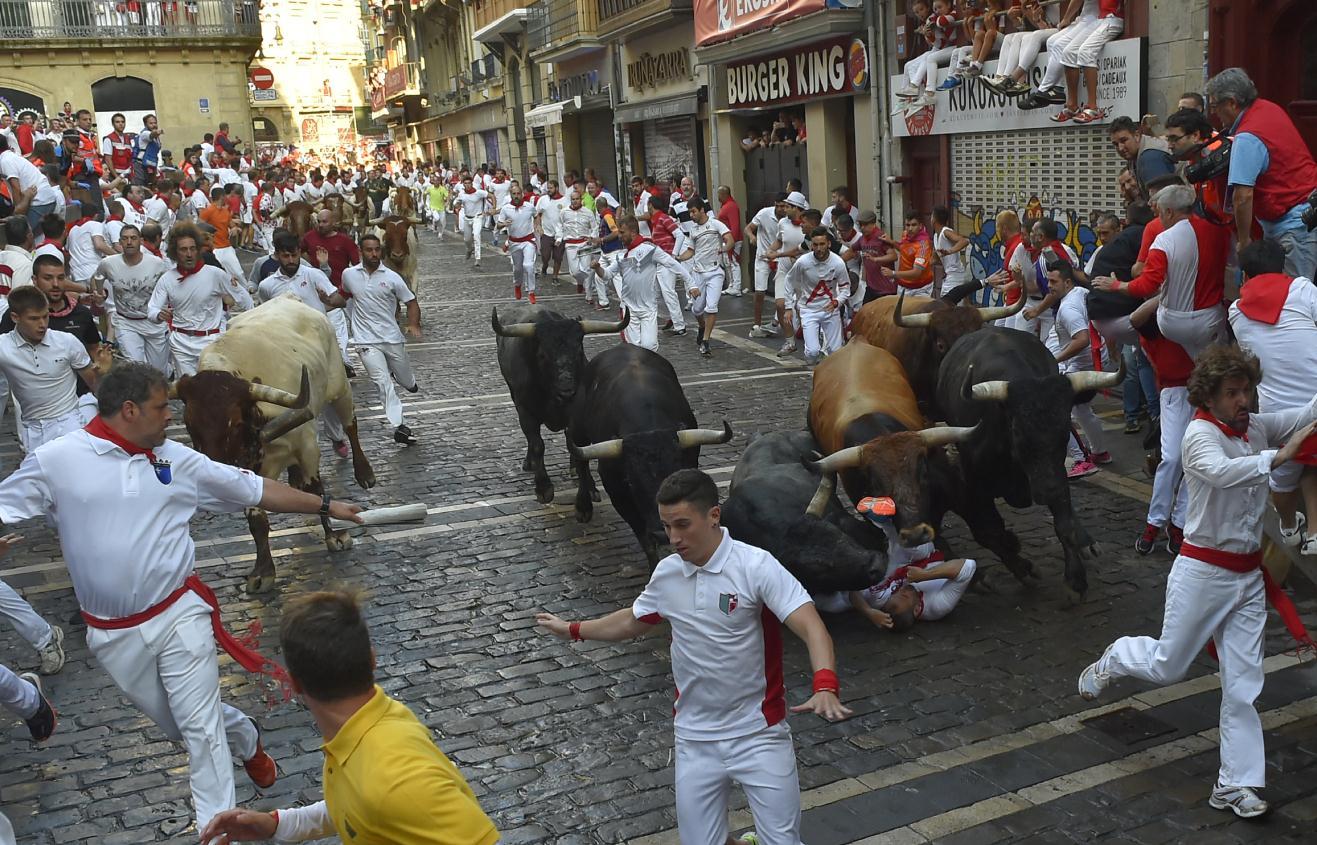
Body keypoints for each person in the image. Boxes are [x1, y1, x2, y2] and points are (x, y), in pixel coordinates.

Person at [0, 361, 366, 833]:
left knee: (198, 731)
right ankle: (245, 733)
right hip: (112, 635)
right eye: (161, 407)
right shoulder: (57, 460)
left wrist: (326, 504)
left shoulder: (179, 459)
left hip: (179, 614)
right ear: (129, 410)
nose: (171, 417)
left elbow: (255, 489)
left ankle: (216, 833)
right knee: (182, 726)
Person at [536, 469, 851, 845]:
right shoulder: (668, 574)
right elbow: (633, 622)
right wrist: (574, 628)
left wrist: (825, 684)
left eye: (683, 525)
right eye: (667, 526)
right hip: (694, 738)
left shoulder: (756, 566)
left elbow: (811, 626)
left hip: (759, 734)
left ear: (713, 516)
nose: (674, 538)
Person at [1077, 345, 1317, 820]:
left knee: (1245, 682)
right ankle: (1118, 656)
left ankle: (1236, 784)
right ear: (1209, 397)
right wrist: (1277, 457)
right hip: (1202, 573)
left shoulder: (1256, 426)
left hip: (1248, 577)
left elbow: (1303, 414)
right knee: (1168, 666)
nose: (1244, 400)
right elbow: (1224, 473)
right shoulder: (1198, 436)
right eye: (1233, 392)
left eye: (1247, 389)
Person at [199, 589, 499, 844]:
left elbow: (382, 798)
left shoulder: (397, 780)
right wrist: (277, 824)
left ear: (295, 684)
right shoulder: (366, 730)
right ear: (372, 658)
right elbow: (360, 808)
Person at [1228, 238, 1317, 555]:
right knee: (1310, 463)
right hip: (1315, 398)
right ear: (1282, 267)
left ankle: (1290, 527)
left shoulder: (1236, 312)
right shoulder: (1304, 289)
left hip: (1278, 413)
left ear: (1246, 276)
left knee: (1283, 479)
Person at [1206, 67, 1317, 281]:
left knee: (1293, 299)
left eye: (1215, 106)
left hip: (1293, 223)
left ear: (1231, 102)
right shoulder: (1268, 108)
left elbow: (1243, 196)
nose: (1214, 113)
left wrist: (1245, 240)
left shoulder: (1248, 136)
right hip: (1302, 209)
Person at [1095, 184, 1231, 359]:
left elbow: (1146, 285)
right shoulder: (1218, 231)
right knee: (1216, 367)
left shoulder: (1164, 240)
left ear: (1169, 212)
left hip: (1173, 323)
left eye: (1159, 213)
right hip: (1210, 320)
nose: (1158, 219)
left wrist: (1117, 285)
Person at [815, 497, 976, 629]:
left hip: (896, 567)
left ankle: (806, 580)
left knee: (834, 604)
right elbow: (968, 566)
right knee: (915, 548)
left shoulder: (884, 601)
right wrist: (925, 575)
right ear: (918, 608)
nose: (902, 590)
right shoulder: (938, 607)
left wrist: (869, 612)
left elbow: (854, 593)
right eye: (906, 595)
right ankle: (889, 521)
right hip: (923, 559)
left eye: (898, 594)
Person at [326, 233, 421, 446]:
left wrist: (414, 324)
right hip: (365, 340)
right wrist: (324, 304)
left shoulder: (392, 277)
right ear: (361, 252)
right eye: (369, 250)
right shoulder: (349, 274)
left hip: (392, 338)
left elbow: (411, 302)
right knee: (381, 382)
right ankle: (400, 426)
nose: (374, 254)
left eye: (377, 249)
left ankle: (408, 381)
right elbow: (344, 296)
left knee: (406, 380)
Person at [147, 222, 239, 376]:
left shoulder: (216, 274)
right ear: (175, 253)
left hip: (211, 341)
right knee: (189, 393)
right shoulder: (167, 279)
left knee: (213, 390)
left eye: (192, 249)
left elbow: (243, 299)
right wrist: (158, 314)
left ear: (198, 250)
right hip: (180, 343)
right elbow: (152, 309)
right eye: (183, 249)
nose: (189, 254)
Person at [591, 214, 689, 352]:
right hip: (629, 310)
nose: (619, 236)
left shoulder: (650, 250)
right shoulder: (621, 255)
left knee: (650, 347)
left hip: (648, 309)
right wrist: (597, 268)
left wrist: (692, 284)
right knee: (634, 350)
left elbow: (672, 264)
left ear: (633, 232)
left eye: (622, 232)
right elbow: (606, 275)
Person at [1018, 0, 1126, 124]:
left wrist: (1066, 18)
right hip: (1100, 20)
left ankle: (1092, 107)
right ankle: (1072, 106)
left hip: (1112, 18)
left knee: (1085, 52)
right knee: (1068, 52)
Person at [92, 224, 170, 373]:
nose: (129, 242)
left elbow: (169, 285)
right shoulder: (108, 263)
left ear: (140, 241)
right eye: (125, 239)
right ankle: (139, 395)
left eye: (133, 238)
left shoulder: (157, 264)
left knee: (158, 371)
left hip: (153, 322)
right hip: (126, 322)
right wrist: (99, 293)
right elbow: (97, 276)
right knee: (136, 368)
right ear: (119, 242)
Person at [299, 209, 359, 371]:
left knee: (357, 323)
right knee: (331, 325)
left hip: (344, 291)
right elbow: (297, 252)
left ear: (333, 222)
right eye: (318, 221)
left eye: (324, 221)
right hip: (318, 292)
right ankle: (341, 360)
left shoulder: (345, 241)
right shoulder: (309, 237)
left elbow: (357, 264)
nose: (321, 225)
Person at [784, 227, 850, 366]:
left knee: (836, 352)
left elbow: (845, 288)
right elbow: (789, 281)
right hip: (809, 310)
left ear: (829, 244)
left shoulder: (838, 263)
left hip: (830, 311)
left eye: (822, 244)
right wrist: (788, 307)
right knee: (812, 352)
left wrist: (837, 302)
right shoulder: (803, 262)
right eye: (815, 245)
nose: (819, 248)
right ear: (811, 245)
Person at [680, 198, 734, 358]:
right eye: (690, 212)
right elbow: (690, 250)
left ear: (702, 210)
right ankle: (702, 326)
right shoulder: (693, 230)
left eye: (693, 211)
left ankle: (705, 341)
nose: (691, 215)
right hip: (698, 273)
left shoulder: (716, 224)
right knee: (697, 309)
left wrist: (723, 249)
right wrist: (678, 258)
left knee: (711, 307)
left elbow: (729, 239)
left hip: (715, 272)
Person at [768, 192, 808, 356]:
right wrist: (771, 250)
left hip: (803, 273)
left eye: (787, 206)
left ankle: (810, 340)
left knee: (802, 309)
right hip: (784, 270)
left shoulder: (807, 225)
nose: (784, 209)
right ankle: (790, 341)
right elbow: (779, 241)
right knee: (780, 305)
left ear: (797, 208)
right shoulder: (783, 223)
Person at [1107, 116, 1177, 199]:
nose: (1120, 148)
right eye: (1115, 144)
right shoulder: (1135, 155)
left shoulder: (1150, 158)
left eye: (1124, 140)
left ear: (1136, 135)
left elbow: (1163, 201)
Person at [746, 193, 785, 337]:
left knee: (783, 293)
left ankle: (777, 321)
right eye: (778, 206)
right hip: (763, 257)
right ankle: (757, 324)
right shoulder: (764, 213)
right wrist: (752, 236)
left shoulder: (788, 219)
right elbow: (748, 228)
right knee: (760, 292)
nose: (780, 209)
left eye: (783, 206)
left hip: (781, 258)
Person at [496, 181, 539, 303]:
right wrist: (503, 224)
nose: (516, 196)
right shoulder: (506, 209)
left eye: (518, 193)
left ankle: (531, 291)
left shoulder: (529, 207)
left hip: (528, 241)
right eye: (514, 194)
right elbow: (498, 224)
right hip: (514, 243)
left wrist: (538, 225)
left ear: (522, 194)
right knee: (518, 269)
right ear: (510, 195)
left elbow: (536, 215)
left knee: (529, 266)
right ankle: (517, 285)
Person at [883, 210, 935, 298]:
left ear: (920, 226)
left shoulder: (923, 246)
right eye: (907, 225)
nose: (910, 229)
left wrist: (893, 273)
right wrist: (891, 241)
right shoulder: (905, 234)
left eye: (914, 225)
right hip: (902, 287)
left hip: (920, 289)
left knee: (918, 312)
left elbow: (916, 273)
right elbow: (904, 249)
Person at [198, 185, 244, 283]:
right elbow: (199, 227)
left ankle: (245, 292)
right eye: (225, 196)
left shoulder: (225, 211)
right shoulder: (208, 211)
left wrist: (235, 228)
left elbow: (231, 225)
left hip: (227, 247)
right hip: (215, 249)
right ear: (222, 197)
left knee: (238, 273)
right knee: (218, 275)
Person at [931, 205, 971, 288]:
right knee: (945, 300)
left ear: (934, 219)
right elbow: (935, 259)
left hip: (956, 275)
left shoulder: (946, 231)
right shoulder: (935, 236)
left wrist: (949, 251)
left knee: (948, 300)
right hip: (949, 276)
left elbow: (964, 241)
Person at [452, 175, 488, 266]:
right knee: (467, 239)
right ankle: (469, 249)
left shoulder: (479, 192)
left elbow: (490, 196)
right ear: (463, 185)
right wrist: (457, 205)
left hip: (477, 217)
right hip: (467, 218)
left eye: (469, 183)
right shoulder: (462, 194)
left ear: (472, 184)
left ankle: (478, 258)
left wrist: (494, 208)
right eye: (465, 183)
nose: (467, 185)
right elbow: (457, 203)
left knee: (476, 236)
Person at [534, 179, 565, 280]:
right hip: (546, 233)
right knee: (545, 255)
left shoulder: (565, 200)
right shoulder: (543, 200)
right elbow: (538, 214)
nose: (549, 190)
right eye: (548, 188)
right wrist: (538, 226)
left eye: (551, 188)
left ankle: (555, 276)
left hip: (559, 235)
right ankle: (545, 265)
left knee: (558, 257)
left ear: (556, 188)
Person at [716, 185, 744, 297]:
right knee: (728, 262)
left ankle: (737, 286)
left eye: (718, 194)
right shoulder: (727, 205)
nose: (717, 196)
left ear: (723, 194)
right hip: (728, 239)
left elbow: (735, 225)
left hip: (733, 240)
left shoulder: (731, 206)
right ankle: (732, 285)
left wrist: (731, 241)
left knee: (733, 262)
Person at [131, 114, 162, 187]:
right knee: (140, 187)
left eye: (155, 123)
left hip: (151, 165)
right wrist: (157, 132)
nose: (154, 125)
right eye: (151, 123)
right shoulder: (145, 133)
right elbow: (151, 135)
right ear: (145, 124)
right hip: (140, 165)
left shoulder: (157, 139)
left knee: (150, 186)